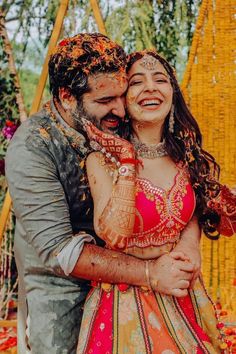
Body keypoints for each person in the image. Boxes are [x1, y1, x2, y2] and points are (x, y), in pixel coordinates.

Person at [5, 35, 201, 354]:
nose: (121, 109)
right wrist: (151, 273)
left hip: (145, 279)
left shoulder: (123, 124)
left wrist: (188, 244)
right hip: (63, 282)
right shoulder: (33, 148)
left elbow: (180, 193)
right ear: (68, 96)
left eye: (123, 95)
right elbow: (60, 252)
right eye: (106, 100)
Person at [77, 50, 236, 353]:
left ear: (172, 94)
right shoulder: (102, 161)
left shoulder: (185, 157)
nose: (150, 87)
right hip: (127, 307)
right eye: (137, 82)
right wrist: (126, 159)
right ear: (123, 100)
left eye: (160, 79)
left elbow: (197, 210)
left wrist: (189, 244)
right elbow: (115, 236)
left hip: (182, 295)